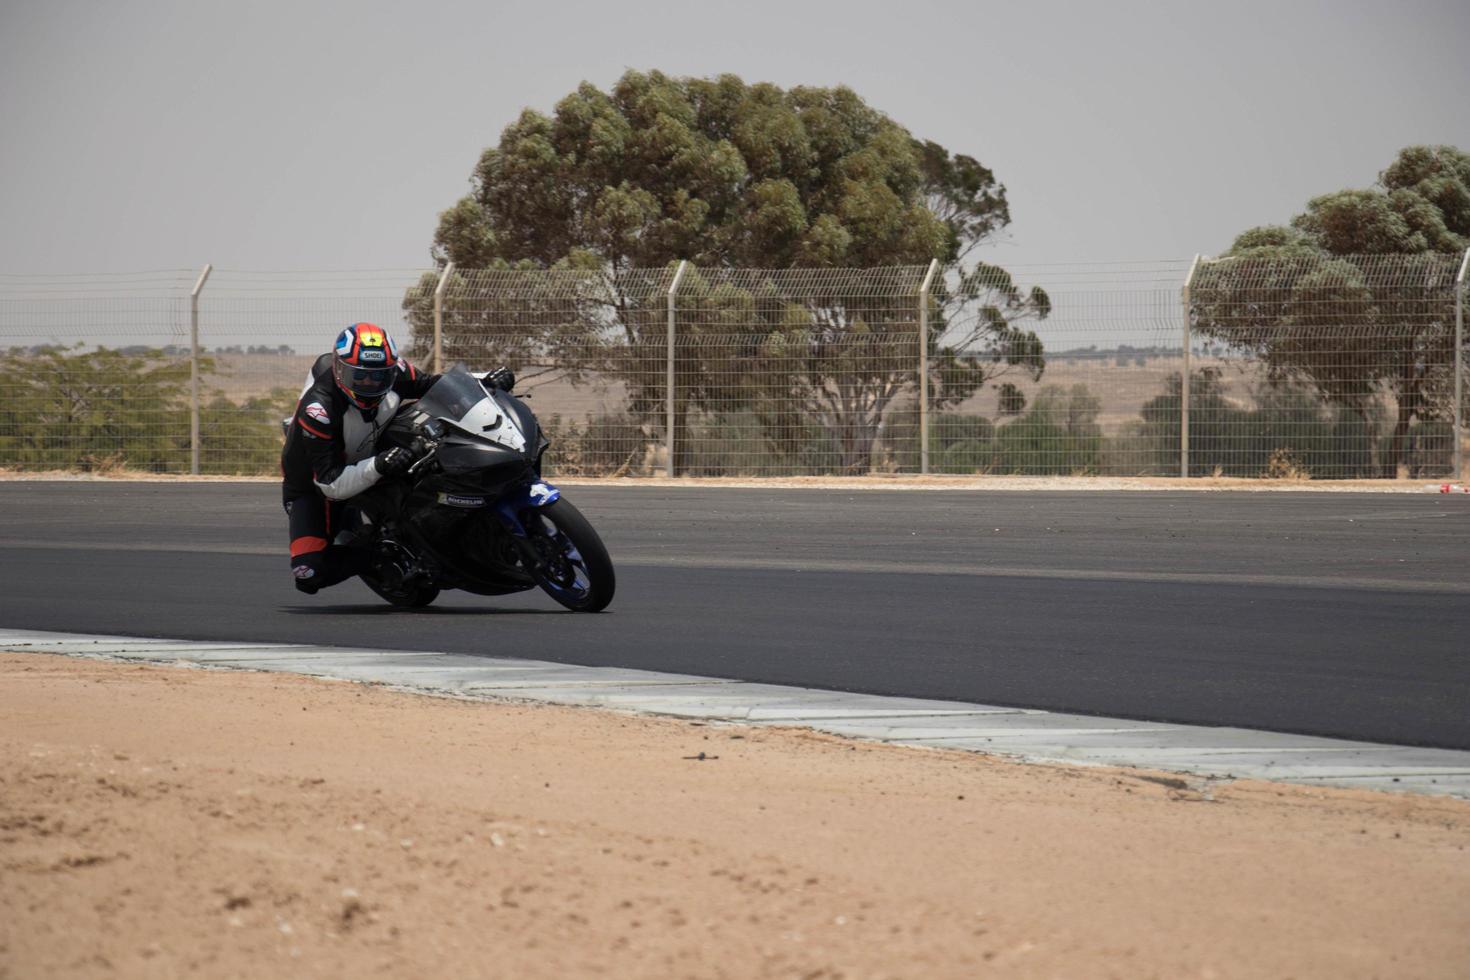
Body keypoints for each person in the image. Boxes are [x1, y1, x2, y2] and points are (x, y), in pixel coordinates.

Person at [279, 322, 438, 594]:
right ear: (340, 370)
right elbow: (331, 484)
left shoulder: (395, 371)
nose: (369, 383)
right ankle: (376, 555)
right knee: (308, 574)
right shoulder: (320, 409)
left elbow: (434, 384)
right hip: (316, 489)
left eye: (379, 377)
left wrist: (483, 380)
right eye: (360, 376)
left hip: (373, 456)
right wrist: (379, 465)